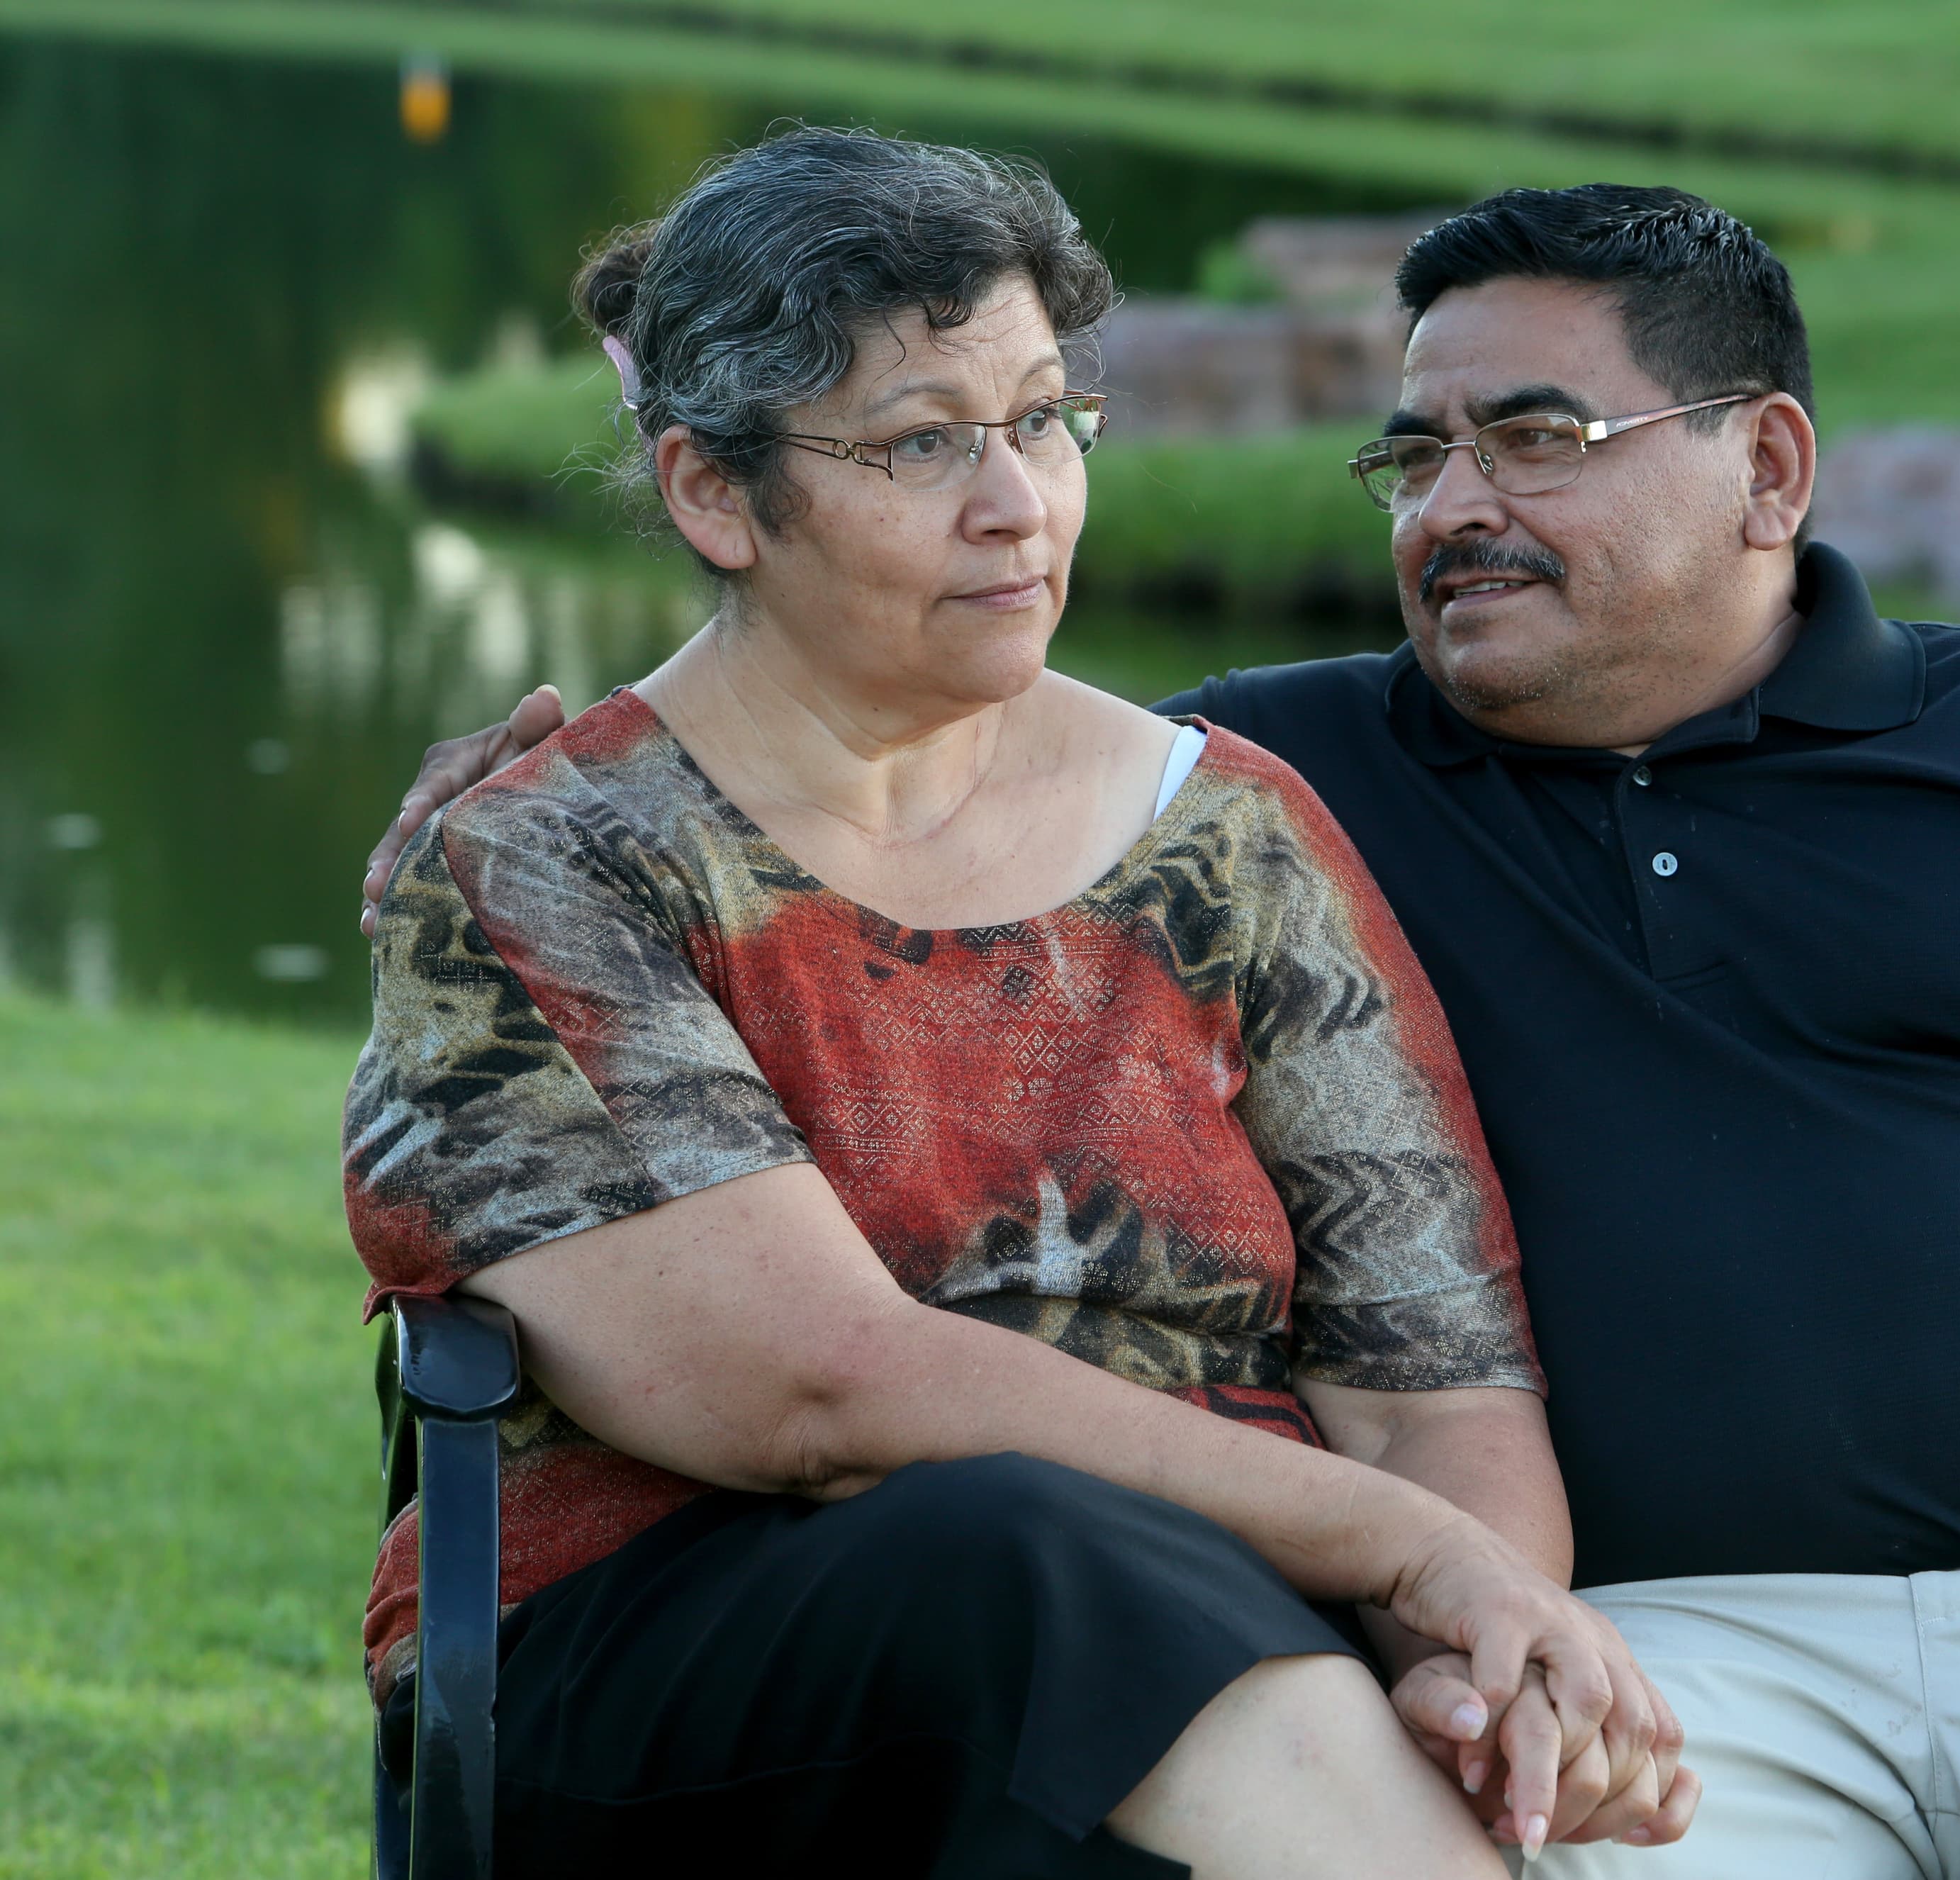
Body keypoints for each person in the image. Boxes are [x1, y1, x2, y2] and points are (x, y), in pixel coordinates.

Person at [373, 181, 1960, 1876]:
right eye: (1419, 456)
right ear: (711, 488)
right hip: (1526, 1648)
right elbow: (808, 1283)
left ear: (1768, 466)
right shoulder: (1251, 769)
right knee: (1075, 1582)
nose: (1455, 505)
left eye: (1538, 436)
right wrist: (1447, 1586)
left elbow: (1435, 1353)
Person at [345, 132, 1700, 1880]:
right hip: (688, 1669)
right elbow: (818, 1393)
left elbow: (1436, 1383)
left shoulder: (1232, 837)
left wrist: (1464, 1640)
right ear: (712, 493)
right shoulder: (550, 860)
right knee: (1020, 1545)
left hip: (1238, 1638)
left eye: (1046, 418)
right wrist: (1398, 1552)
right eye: (921, 444)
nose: (1020, 503)